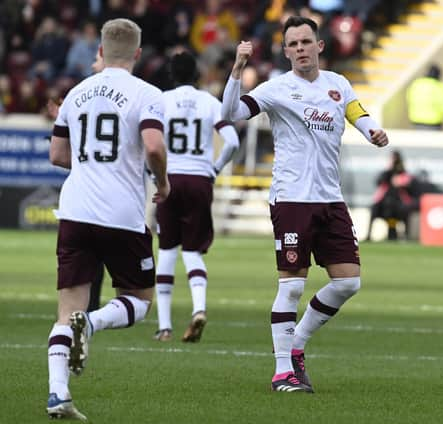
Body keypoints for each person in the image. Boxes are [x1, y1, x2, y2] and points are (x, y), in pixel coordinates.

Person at [221, 16, 389, 393]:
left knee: (348, 282)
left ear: (319, 46)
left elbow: (356, 111)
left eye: (305, 42)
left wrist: (372, 130)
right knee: (292, 286)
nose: (299, 49)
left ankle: (295, 345)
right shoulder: (276, 89)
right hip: (292, 198)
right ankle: (283, 372)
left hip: (330, 198)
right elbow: (230, 114)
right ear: (285, 52)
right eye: (292, 44)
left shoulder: (338, 85)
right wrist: (237, 69)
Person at [46, 18, 169, 420]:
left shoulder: (76, 93)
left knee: (66, 310)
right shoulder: (147, 93)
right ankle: (94, 323)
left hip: (75, 209)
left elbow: (58, 156)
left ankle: (58, 395)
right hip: (121, 213)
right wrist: (162, 183)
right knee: (140, 300)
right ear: (137, 53)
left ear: (100, 50)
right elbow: (153, 147)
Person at [153, 51, 239, 343]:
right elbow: (233, 142)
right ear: (197, 75)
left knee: (166, 250)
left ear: (171, 75)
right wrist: (214, 168)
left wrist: (152, 174)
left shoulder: (161, 101)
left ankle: (164, 327)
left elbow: (145, 142)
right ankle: (198, 309)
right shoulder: (209, 103)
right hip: (200, 179)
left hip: (170, 178)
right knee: (192, 251)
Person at [46, 49, 107, 313]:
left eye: (97, 58)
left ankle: (78, 315)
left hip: (80, 196)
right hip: (116, 196)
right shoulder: (136, 94)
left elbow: (58, 155)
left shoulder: (78, 95)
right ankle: (92, 313)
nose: (93, 63)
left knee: (82, 257)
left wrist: (62, 117)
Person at [365, 150, 419, 241]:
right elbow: (379, 182)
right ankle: (370, 235)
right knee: (376, 209)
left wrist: (401, 182)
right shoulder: (386, 173)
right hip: (384, 203)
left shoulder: (404, 174)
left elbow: (410, 189)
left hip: (398, 204)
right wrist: (390, 170)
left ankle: (398, 235)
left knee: (395, 210)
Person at [406, 63, 443, 130]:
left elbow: (409, 98)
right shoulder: (440, 87)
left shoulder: (416, 84)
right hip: (434, 124)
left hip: (416, 122)